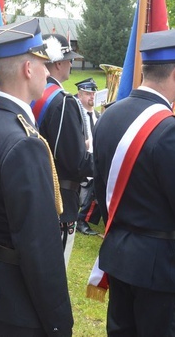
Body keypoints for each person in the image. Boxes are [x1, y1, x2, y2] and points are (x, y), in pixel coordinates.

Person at [0, 18, 73, 337]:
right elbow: (39, 245)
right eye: (42, 63)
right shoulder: (24, 143)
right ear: (27, 68)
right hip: (15, 296)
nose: (48, 71)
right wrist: (59, 321)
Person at [91, 28, 175, 337]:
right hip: (163, 269)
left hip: (121, 255)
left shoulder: (109, 116)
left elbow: (103, 189)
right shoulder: (171, 131)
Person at [35, 33, 92, 266]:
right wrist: (94, 156)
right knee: (53, 268)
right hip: (59, 197)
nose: (71, 64)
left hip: (37, 186)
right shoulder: (62, 101)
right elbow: (73, 161)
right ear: (58, 63)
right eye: (69, 59)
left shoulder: (37, 93)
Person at [75, 77, 102, 236]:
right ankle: (81, 218)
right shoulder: (77, 114)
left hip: (95, 157)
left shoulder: (98, 115)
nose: (92, 96)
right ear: (79, 95)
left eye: (93, 93)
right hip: (82, 158)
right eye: (87, 93)